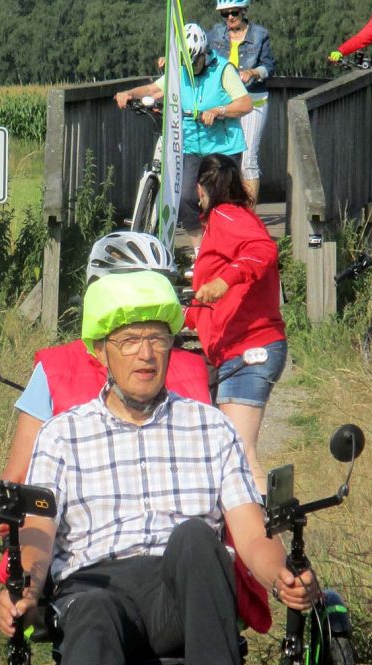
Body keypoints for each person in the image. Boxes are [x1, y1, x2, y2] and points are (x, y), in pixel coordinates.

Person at [0, 271, 320, 665]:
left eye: (157, 339)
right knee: (93, 608)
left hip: (181, 594)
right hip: (94, 589)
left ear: (171, 345)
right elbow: (38, 532)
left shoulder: (210, 427)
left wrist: (282, 577)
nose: (145, 354)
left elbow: (249, 533)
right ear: (101, 351)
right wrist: (27, 587)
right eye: (128, 341)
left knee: (194, 535)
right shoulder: (62, 435)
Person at [0, 231, 274, 635]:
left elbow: (209, 460)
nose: (144, 350)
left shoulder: (64, 369)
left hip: (174, 559)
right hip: (90, 560)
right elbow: (25, 487)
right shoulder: (181, 367)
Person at [186, 154, 286, 495]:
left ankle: (263, 539)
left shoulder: (226, 215)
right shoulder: (225, 220)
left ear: (201, 188)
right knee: (227, 454)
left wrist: (226, 280)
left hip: (250, 348)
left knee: (241, 454)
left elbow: (263, 251)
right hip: (233, 351)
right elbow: (207, 301)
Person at [114, 23, 253, 242]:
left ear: (203, 54)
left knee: (220, 201)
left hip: (222, 147)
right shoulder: (179, 71)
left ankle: (230, 244)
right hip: (191, 145)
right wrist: (128, 93)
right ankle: (199, 250)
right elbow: (153, 90)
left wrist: (219, 110)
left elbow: (245, 104)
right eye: (186, 63)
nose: (191, 68)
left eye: (195, 62)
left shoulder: (223, 70)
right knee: (186, 196)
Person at [206, 0, 275, 202]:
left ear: (243, 11)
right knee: (220, 159)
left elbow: (269, 67)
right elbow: (199, 54)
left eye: (233, 12)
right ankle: (223, 209)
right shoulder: (215, 34)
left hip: (253, 101)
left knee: (248, 161)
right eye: (224, 14)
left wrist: (253, 72)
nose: (229, 18)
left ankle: (248, 214)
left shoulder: (260, 35)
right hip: (225, 104)